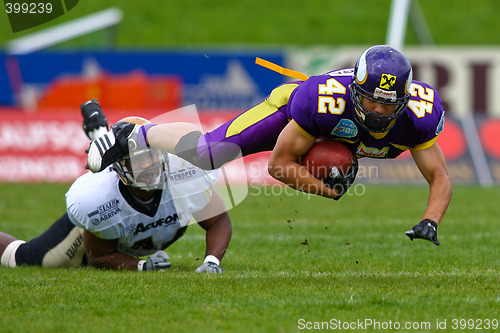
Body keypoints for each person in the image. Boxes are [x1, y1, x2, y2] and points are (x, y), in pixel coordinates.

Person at [86, 45, 452, 246]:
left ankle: (131, 133)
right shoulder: (320, 102)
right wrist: (326, 190)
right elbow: (279, 165)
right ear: (356, 91)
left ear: (404, 99)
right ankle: (136, 133)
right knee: (208, 154)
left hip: (332, 131)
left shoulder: (418, 117)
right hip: (289, 113)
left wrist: (429, 222)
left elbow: (440, 176)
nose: (378, 110)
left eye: (388, 103)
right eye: (372, 100)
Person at [0, 106, 232, 272]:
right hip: (93, 235)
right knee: (25, 259)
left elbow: (218, 221)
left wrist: (212, 261)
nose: (149, 165)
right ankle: (98, 132)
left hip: (127, 234)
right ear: (119, 168)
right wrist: (139, 265)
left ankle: (98, 131)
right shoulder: (99, 198)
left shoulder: (184, 175)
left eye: (152, 157)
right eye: (139, 160)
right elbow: (99, 255)